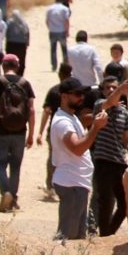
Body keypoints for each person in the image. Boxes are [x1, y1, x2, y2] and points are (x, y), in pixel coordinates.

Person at [48, 78, 119, 242]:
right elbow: (78, 148)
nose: (81, 98)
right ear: (64, 96)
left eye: (82, 94)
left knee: (77, 236)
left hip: (77, 182)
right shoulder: (63, 122)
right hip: (71, 182)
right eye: (77, 94)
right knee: (68, 236)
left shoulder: (71, 117)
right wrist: (96, 127)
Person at [0, 52, 36, 212]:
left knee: (0, 163)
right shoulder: (25, 83)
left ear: (3, 66)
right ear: (17, 66)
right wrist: (31, 135)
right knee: (15, 166)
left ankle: (5, 192)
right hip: (19, 131)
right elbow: (32, 110)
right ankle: (13, 198)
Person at [89, 73, 128, 236]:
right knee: (105, 203)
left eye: (114, 87)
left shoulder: (123, 111)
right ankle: (103, 235)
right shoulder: (100, 105)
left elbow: (127, 136)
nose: (111, 90)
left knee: (124, 205)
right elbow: (109, 102)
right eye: (108, 87)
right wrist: (121, 89)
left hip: (119, 162)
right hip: (103, 161)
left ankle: (108, 234)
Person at [38, 62, 80, 200]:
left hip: (53, 131)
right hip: (72, 131)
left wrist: (40, 132)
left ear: (59, 74)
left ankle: (51, 186)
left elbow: (46, 111)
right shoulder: (75, 92)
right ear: (71, 73)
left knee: (53, 159)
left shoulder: (54, 91)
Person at [46, 0, 73, 72]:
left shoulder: (49, 9)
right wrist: (67, 31)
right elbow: (66, 21)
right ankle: (65, 65)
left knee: (53, 49)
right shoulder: (64, 9)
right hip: (61, 31)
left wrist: (50, 28)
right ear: (62, 0)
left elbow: (47, 21)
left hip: (52, 31)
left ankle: (54, 66)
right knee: (64, 49)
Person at [3, 8, 31, 77]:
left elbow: (6, 33)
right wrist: (27, 43)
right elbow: (27, 33)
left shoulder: (9, 22)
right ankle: (20, 75)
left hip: (11, 45)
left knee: (10, 59)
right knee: (21, 60)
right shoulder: (24, 23)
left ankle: (10, 73)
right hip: (21, 45)